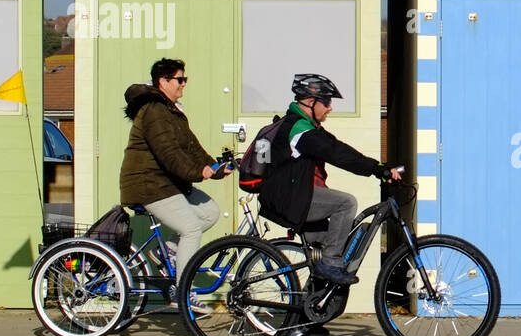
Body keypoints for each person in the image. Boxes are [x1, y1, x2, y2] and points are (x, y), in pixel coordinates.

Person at [259, 73, 400, 286]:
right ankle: (330, 263)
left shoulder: (307, 126)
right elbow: (335, 153)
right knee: (346, 203)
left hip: (293, 196)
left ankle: (312, 303)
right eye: (326, 101)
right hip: (290, 199)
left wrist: (378, 166)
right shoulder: (299, 129)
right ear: (310, 102)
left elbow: (337, 146)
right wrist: (375, 169)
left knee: (332, 241)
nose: (330, 107)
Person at [120, 58, 226, 308]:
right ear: (163, 81)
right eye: (180, 79)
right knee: (190, 228)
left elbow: (191, 148)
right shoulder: (154, 111)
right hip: (148, 183)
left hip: (165, 182)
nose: (183, 85)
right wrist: (196, 172)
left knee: (210, 212)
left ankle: (166, 251)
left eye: (184, 79)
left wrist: (217, 168)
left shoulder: (172, 110)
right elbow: (168, 153)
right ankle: (183, 291)